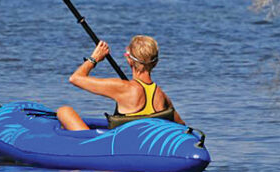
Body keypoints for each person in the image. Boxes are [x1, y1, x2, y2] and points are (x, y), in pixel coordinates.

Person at [57, 35, 185, 130]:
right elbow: (181, 125)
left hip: (118, 148)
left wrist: (94, 58)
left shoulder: (123, 88)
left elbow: (75, 78)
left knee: (64, 111)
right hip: (143, 147)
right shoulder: (161, 95)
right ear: (156, 63)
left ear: (129, 61)